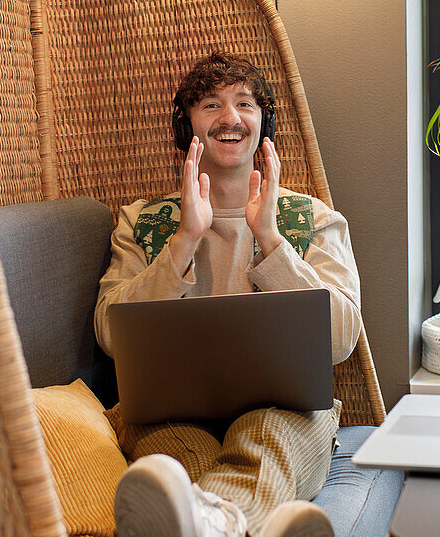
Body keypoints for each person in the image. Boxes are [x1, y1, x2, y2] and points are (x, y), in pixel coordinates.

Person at [94, 52, 363, 537]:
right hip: (166, 417)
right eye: (211, 104)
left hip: (285, 416)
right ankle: (236, 524)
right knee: (176, 467)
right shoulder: (141, 222)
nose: (230, 117)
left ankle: (213, 521)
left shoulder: (315, 220)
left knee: (264, 441)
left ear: (263, 124)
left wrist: (273, 242)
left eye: (244, 103)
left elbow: (342, 337)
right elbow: (111, 332)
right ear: (187, 127)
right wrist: (183, 242)